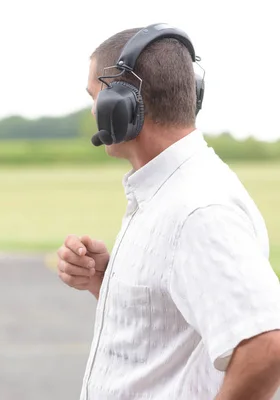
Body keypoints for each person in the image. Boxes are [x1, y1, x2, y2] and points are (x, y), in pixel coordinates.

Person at [57, 23, 280, 399]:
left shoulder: (198, 209)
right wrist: (108, 282)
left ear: (121, 105)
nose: (94, 109)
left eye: (95, 95)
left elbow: (267, 344)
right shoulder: (168, 192)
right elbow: (172, 332)